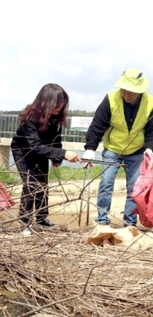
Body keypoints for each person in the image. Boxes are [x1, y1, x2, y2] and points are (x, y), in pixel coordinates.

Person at [83, 68, 153, 227]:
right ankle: (102, 221)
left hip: (136, 151)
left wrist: (149, 148)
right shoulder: (111, 99)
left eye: (131, 92)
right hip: (113, 149)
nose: (126, 95)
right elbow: (98, 125)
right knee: (106, 183)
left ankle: (130, 223)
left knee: (134, 188)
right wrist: (90, 148)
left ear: (139, 91)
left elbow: (152, 129)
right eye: (124, 90)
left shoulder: (150, 102)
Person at [11, 83, 82, 235]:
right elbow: (34, 146)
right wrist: (62, 153)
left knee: (42, 184)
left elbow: (56, 139)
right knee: (31, 184)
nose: (61, 106)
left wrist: (57, 159)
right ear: (46, 101)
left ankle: (42, 219)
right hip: (24, 151)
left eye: (63, 103)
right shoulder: (30, 118)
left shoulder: (56, 118)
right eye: (58, 103)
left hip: (42, 150)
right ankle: (25, 223)